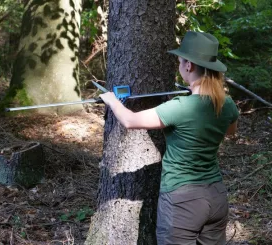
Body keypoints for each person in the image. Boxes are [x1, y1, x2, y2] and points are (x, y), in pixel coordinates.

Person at [99, 31, 239, 245]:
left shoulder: (180, 107)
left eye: (180, 61)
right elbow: (230, 131)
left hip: (183, 201)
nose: (179, 65)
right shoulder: (226, 103)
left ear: (189, 66)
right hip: (216, 197)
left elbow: (130, 121)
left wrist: (112, 100)